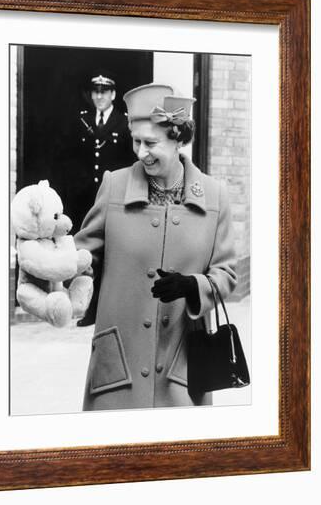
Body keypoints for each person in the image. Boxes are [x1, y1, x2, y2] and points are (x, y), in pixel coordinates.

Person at [74, 83, 237, 410]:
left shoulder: (215, 196)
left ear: (178, 140)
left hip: (182, 364)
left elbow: (226, 274)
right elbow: (81, 258)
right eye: (136, 141)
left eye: (150, 143)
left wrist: (194, 285)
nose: (140, 152)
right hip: (119, 363)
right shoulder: (114, 186)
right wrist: (59, 269)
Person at [58, 72, 135, 232]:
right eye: (95, 92)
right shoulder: (82, 120)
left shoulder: (124, 122)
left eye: (104, 92)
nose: (99, 96)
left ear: (113, 94)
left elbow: (129, 161)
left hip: (113, 194)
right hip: (84, 195)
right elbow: (70, 157)